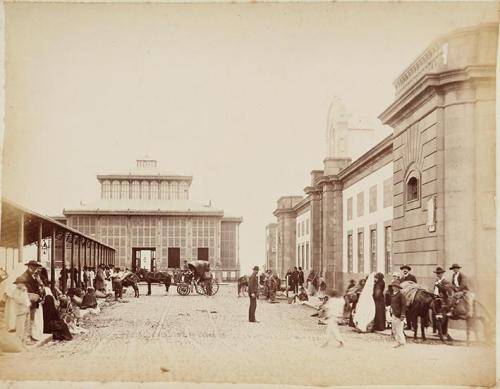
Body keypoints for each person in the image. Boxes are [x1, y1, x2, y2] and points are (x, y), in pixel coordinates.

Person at [17, 260, 45, 342]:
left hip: (33, 300)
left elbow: (37, 287)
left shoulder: (34, 276)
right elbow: (24, 289)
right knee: (27, 320)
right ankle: (27, 337)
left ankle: (31, 335)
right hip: (29, 300)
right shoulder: (25, 276)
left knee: (31, 320)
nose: (36, 269)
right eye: (35, 267)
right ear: (30, 267)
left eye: (36, 267)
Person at [390, 280, 406, 348]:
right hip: (394, 314)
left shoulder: (401, 295)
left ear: (398, 288)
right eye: (394, 286)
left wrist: (403, 315)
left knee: (399, 330)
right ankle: (398, 342)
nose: (394, 288)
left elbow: (403, 305)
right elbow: (392, 304)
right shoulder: (393, 294)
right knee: (395, 330)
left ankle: (402, 343)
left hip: (399, 315)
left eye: (396, 286)